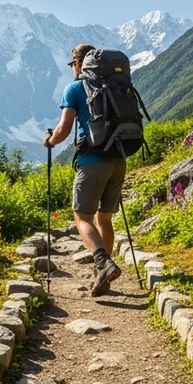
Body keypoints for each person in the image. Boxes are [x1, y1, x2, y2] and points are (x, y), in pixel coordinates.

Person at [43, 43, 124, 297]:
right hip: (118, 159)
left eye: (72, 65)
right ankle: (103, 275)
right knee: (105, 219)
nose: (72, 70)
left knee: (82, 218)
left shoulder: (75, 88)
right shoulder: (116, 85)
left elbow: (64, 128)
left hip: (91, 162)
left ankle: (102, 262)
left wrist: (50, 141)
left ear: (79, 64)